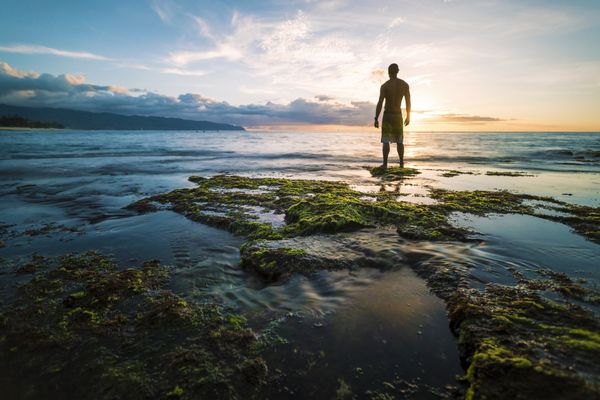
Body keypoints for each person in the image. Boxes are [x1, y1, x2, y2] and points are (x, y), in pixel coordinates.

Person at [374, 63, 411, 168]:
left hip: (388, 116)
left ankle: (385, 164)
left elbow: (380, 103)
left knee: (386, 141)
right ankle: (401, 163)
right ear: (397, 71)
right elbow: (408, 102)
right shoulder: (404, 85)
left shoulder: (385, 86)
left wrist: (376, 118)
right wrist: (408, 116)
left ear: (389, 72)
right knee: (399, 141)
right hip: (398, 116)